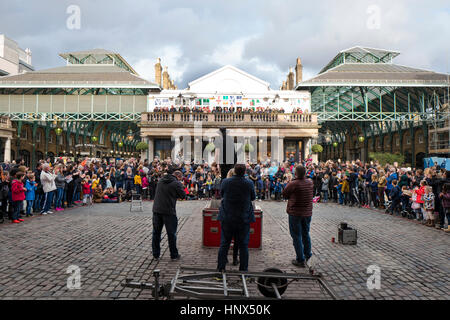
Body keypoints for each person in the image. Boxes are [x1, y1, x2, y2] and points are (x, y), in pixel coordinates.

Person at [217, 164, 256, 272]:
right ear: (244, 172)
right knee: (243, 245)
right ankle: (243, 270)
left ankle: (221, 269)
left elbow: (222, 194)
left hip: (227, 216)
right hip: (243, 218)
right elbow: (253, 197)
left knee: (224, 243)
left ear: (234, 171)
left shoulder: (225, 181)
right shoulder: (249, 183)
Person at [282, 165, 313, 268]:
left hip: (295, 213)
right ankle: (308, 255)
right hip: (307, 213)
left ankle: (300, 259)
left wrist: (288, 183)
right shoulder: (310, 182)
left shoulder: (293, 183)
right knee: (306, 234)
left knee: (296, 236)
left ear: (295, 173)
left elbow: (285, 194)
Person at [152, 167, 186, 261]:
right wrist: (181, 186)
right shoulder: (176, 183)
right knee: (171, 234)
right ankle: (174, 255)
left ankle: (155, 254)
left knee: (156, 233)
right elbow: (183, 196)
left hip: (157, 209)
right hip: (168, 211)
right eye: (181, 179)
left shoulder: (161, 180)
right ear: (178, 177)